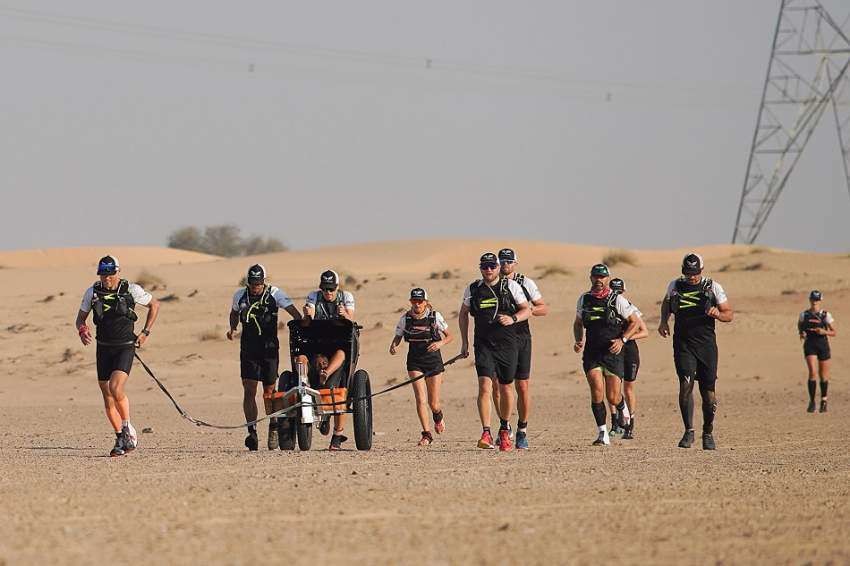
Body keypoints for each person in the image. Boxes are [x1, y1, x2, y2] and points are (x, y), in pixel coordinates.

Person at [75, 255, 160, 457]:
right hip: (103, 348)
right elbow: (80, 319)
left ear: (118, 272)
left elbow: (154, 305)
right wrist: (82, 330)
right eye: (103, 274)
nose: (107, 278)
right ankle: (120, 437)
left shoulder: (131, 290)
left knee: (115, 387)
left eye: (110, 274)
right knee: (107, 396)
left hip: (125, 347)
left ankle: (128, 427)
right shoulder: (92, 292)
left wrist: (145, 332)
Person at [659, 253, 733, 451]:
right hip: (683, 344)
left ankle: (707, 432)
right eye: (687, 272)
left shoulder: (713, 287)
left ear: (701, 270)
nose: (691, 276)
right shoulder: (675, 285)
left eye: (694, 273)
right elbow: (666, 303)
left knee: (708, 394)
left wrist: (718, 314)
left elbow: (729, 314)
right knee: (685, 385)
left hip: (706, 346)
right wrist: (664, 321)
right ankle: (688, 431)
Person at [459, 252, 531, 452]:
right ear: (480, 268)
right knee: (485, 387)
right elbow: (463, 314)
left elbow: (527, 310)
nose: (488, 270)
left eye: (492, 266)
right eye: (485, 266)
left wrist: (513, 319)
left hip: (507, 345)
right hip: (483, 345)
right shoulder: (473, 289)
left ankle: (504, 428)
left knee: (506, 387)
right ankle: (486, 432)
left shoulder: (511, 287)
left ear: (498, 267)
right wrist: (464, 342)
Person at [227, 264, 301, 451]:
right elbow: (234, 313)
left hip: (269, 350)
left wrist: (301, 324)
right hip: (248, 349)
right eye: (252, 283)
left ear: (264, 281)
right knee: (249, 389)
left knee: (269, 392)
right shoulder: (240, 295)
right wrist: (233, 328)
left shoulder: (275, 293)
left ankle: (273, 425)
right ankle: (252, 432)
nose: (255, 287)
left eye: (258, 283)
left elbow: (293, 312)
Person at [573, 264, 641, 446]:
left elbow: (635, 322)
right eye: (595, 276)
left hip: (612, 354)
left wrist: (622, 340)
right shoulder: (584, 299)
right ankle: (602, 432)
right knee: (596, 391)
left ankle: (621, 405)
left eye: (602, 277)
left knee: (612, 396)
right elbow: (578, 323)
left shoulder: (617, 299)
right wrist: (578, 340)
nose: (599, 280)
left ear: (607, 279)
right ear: (590, 277)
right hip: (592, 353)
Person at [489, 248, 548, 450]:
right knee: (497, 385)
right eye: (502, 261)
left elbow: (543, 308)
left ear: (515, 263)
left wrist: (526, 311)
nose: (505, 264)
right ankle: (504, 427)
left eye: (509, 261)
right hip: (497, 340)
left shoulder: (525, 282)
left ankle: (522, 429)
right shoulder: (490, 283)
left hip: (520, 337)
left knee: (522, 386)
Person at [298, 269, 356, 451]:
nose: (328, 292)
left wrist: (344, 315)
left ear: (337, 287)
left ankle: (337, 436)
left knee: (340, 358)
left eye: (331, 289)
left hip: (338, 347)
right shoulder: (313, 297)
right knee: (303, 358)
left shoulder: (346, 297)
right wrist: (307, 315)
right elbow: (306, 322)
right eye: (325, 289)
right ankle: (304, 384)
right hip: (318, 346)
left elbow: (352, 321)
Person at [389, 288, 453, 446]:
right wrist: (394, 345)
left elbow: (450, 336)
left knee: (433, 403)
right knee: (420, 399)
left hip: (433, 361)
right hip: (414, 361)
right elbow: (398, 336)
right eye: (414, 301)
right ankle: (426, 434)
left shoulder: (435, 317)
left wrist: (440, 343)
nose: (417, 304)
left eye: (420, 301)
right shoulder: (406, 318)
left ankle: (438, 416)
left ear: (426, 302)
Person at [609, 277, 649, 440]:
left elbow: (644, 331)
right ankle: (615, 423)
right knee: (612, 387)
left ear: (623, 291)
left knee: (628, 388)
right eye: (614, 291)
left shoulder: (630, 308)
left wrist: (625, 338)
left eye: (619, 291)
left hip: (629, 351)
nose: (616, 294)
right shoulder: (607, 306)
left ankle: (630, 424)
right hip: (612, 351)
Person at [798, 290, 836, 413]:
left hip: (823, 345)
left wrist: (824, 332)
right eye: (813, 299)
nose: (814, 302)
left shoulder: (825, 315)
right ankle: (812, 401)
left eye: (817, 299)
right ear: (810, 300)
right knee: (812, 372)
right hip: (810, 345)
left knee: (823, 375)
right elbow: (800, 326)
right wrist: (802, 333)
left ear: (820, 300)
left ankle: (824, 400)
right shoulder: (804, 314)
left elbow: (834, 332)